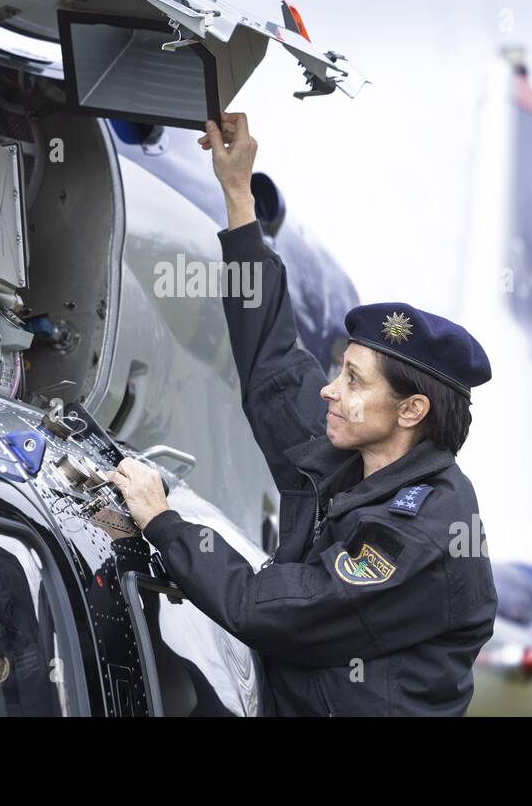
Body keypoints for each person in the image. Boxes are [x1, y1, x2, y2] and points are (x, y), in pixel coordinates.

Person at [106, 112, 499, 716]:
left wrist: (163, 521)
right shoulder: (351, 455)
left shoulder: (425, 532)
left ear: (412, 410)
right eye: (341, 372)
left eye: (353, 380)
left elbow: (278, 609)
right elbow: (273, 361)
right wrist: (238, 194)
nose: (329, 391)